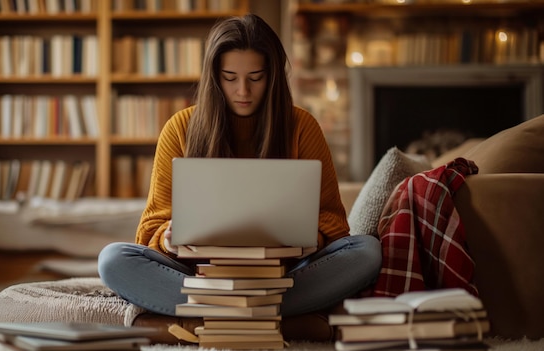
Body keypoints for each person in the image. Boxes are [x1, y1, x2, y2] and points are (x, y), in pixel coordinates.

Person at [98, 13, 381, 317]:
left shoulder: (301, 126)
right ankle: (265, 313)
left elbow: (334, 223)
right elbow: (149, 231)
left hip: (282, 276)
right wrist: (169, 237)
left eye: (255, 78)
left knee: (366, 252)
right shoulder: (180, 127)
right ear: (213, 76)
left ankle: (213, 312)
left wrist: (310, 236)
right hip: (198, 275)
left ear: (272, 76)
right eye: (230, 78)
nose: (243, 91)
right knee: (114, 259)